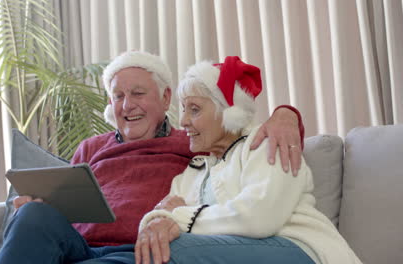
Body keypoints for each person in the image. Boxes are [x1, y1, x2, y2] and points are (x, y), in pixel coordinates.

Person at [0, 51, 305, 263]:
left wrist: (286, 115)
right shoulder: (90, 147)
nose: (127, 105)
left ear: (166, 97)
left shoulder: (193, 142)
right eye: (118, 96)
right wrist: (40, 209)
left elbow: (239, 135)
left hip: (139, 250)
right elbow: (66, 212)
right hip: (78, 247)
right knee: (33, 215)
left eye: (138, 94)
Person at [135, 56, 362, 264]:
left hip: (301, 249)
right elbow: (160, 219)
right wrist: (159, 221)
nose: (183, 121)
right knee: (129, 252)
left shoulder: (266, 143)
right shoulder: (192, 173)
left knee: (169, 251)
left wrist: (181, 216)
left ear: (228, 112)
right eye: (183, 109)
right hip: (236, 252)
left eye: (194, 110)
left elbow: (260, 217)